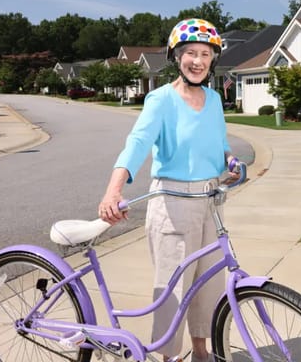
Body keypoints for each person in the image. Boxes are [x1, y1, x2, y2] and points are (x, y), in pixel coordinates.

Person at [98, 18, 238, 362]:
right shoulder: (160, 100)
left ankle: (202, 353)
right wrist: (113, 191)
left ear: (212, 59)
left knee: (210, 285)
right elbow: (137, 144)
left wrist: (231, 162)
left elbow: (220, 144)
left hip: (211, 202)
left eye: (205, 54)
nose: (197, 60)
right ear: (176, 56)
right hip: (173, 204)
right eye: (190, 52)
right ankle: (169, 358)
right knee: (173, 291)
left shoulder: (215, 99)